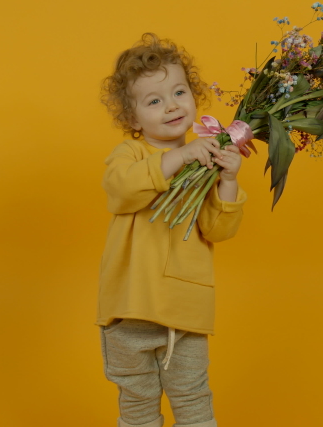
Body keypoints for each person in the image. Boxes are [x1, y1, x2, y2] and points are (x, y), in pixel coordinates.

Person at [97, 33, 246, 427]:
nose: (171, 106)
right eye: (154, 101)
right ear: (132, 119)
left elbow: (218, 228)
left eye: (179, 92)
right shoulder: (131, 155)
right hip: (131, 310)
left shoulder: (207, 162)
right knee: (137, 409)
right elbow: (121, 190)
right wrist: (178, 156)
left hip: (186, 314)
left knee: (195, 406)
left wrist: (228, 179)